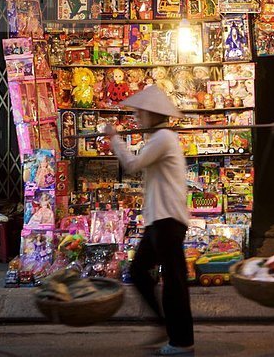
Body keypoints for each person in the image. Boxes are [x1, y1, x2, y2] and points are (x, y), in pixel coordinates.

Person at [103, 85, 194, 356]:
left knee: (174, 282)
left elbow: (131, 165)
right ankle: (165, 327)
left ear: (154, 114)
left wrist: (115, 139)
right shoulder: (159, 138)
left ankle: (181, 341)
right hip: (158, 220)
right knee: (139, 271)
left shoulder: (163, 138)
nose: (137, 117)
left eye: (141, 113)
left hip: (167, 220)